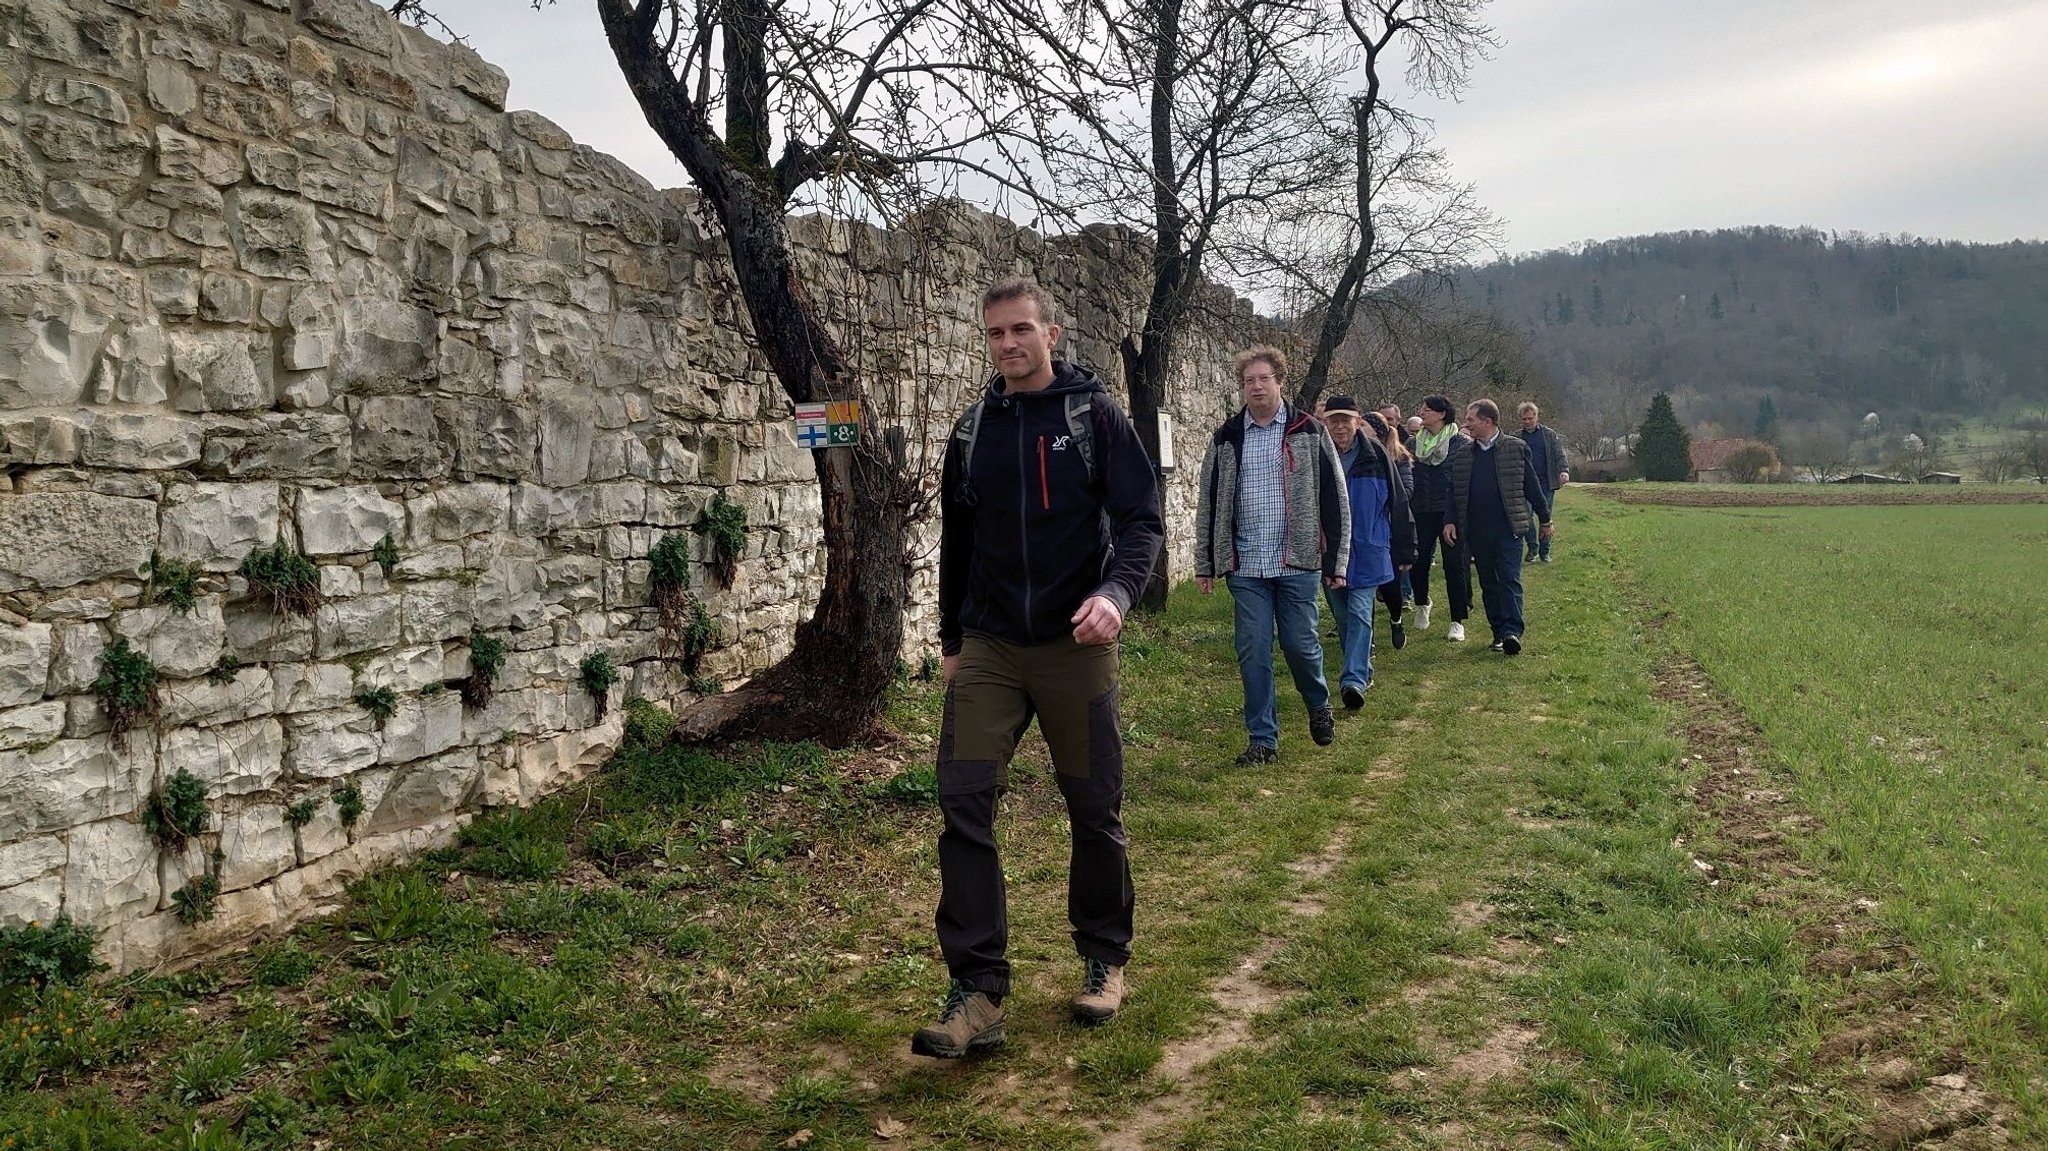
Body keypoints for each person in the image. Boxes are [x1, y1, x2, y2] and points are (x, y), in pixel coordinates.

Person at [916, 278, 1163, 1058]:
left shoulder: (1094, 418)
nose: (1009, 344)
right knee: (962, 798)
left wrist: (1117, 594)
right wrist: (952, 639)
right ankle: (979, 990)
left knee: (1093, 804)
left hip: (1075, 646)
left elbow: (1140, 519)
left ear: (1051, 333)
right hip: (990, 643)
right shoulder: (972, 429)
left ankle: (1103, 957)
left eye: (1021, 329)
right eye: (995, 334)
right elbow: (958, 542)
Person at [1194, 347, 1349, 766]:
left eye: (1264, 379)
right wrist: (1206, 562)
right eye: (1249, 381)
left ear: (1280, 381)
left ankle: (1318, 703)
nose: (1257, 387)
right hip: (1246, 566)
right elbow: (1208, 502)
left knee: (1300, 645)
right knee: (1253, 649)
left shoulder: (1309, 430)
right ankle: (1263, 740)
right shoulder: (1227, 437)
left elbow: (1336, 498)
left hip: (1296, 562)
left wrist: (1337, 562)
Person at [1319, 399, 1413, 708]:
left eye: (1346, 419)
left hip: (1369, 549)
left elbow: (1398, 503)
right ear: (1325, 423)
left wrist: (1405, 547)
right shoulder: (1318, 456)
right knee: (1344, 617)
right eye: (1333, 421)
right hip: (1331, 554)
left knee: (1360, 613)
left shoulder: (1377, 456)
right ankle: (1362, 669)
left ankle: (1353, 680)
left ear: (1358, 421)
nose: (1340, 426)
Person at [1443, 399, 1552, 655]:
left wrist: (1545, 519)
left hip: (1508, 528)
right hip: (1477, 530)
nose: (1466, 424)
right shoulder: (1462, 453)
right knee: (1489, 582)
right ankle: (1498, 633)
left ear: (1487, 422)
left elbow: (1532, 486)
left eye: (1471, 420)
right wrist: (1449, 519)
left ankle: (1513, 631)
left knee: (1509, 579)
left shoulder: (1516, 448)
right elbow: (1453, 489)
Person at [1408, 395, 1472, 643]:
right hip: (1421, 509)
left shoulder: (1460, 443)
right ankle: (1422, 602)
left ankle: (1457, 620)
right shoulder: (1413, 443)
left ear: (1442, 414)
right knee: (1419, 561)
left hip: (1450, 512)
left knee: (1454, 565)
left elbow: (1462, 481)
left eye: (1427, 410)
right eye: (1421, 408)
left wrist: (1456, 515)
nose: (1422, 413)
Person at [1362, 411, 1417, 641]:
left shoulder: (1399, 457)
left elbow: (1406, 491)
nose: (1358, 428)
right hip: (1366, 531)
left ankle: (1396, 620)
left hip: (1390, 531)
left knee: (1389, 586)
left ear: (1377, 430)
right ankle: (1368, 639)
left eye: (1363, 425)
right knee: (1364, 589)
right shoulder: (1358, 456)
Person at [1514, 402, 1567, 563]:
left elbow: (1559, 454)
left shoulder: (1549, 435)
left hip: (1546, 483)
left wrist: (1563, 470)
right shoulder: (1516, 438)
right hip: (1524, 485)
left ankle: (1545, 551)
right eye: (1524, 419)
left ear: (1537, 417)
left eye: (1531, 418)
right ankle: (1533, 547)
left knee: (1546, 517)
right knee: (1526, 517)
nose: (1528, 421)